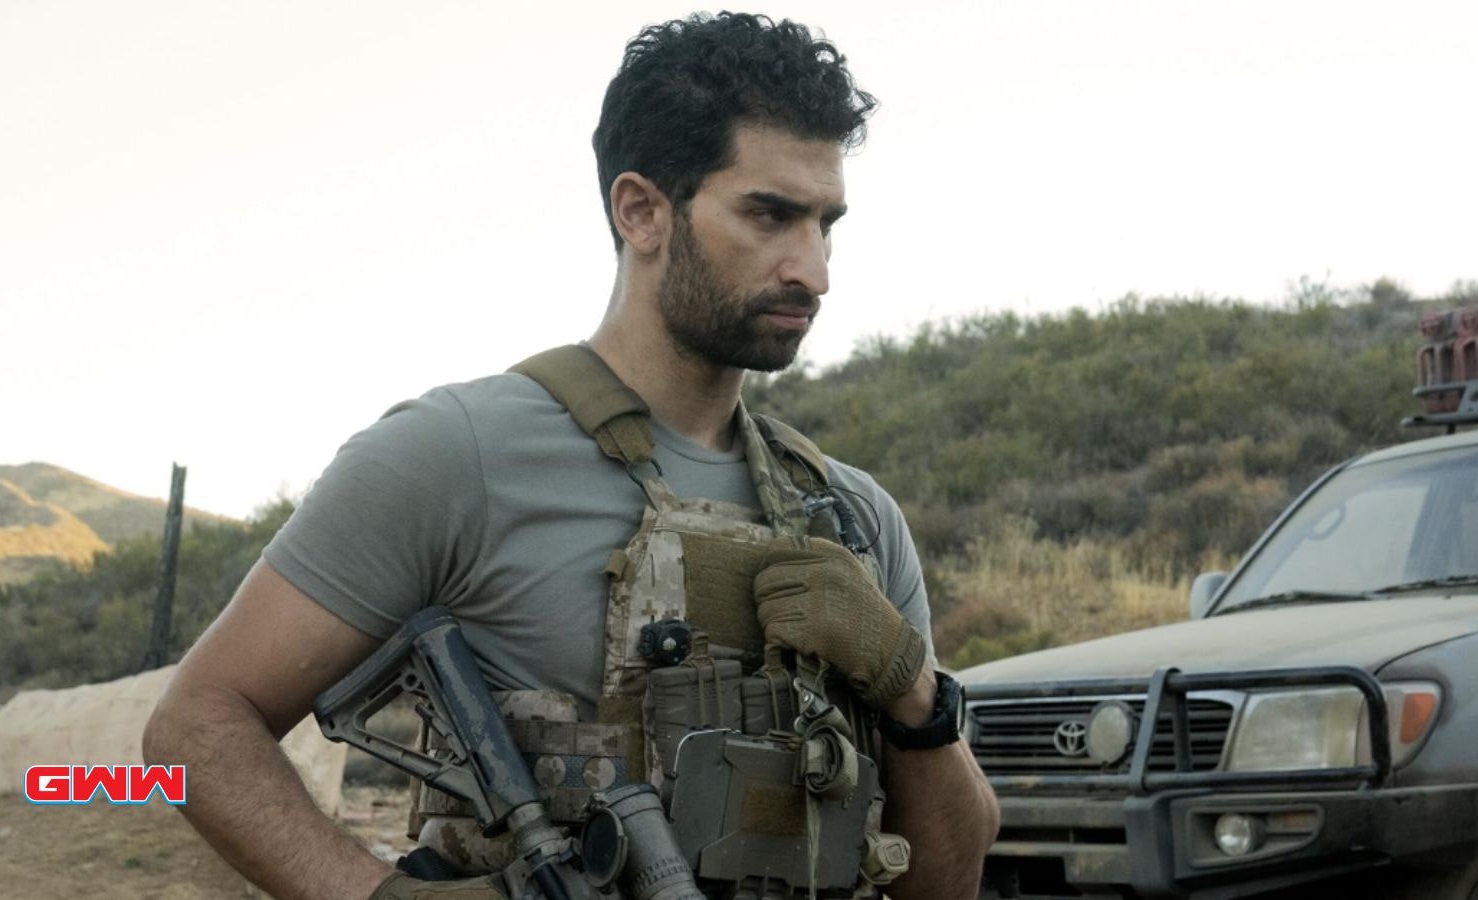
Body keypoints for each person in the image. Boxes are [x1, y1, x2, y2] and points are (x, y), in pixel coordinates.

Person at [144, 12, 1000, 900]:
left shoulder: (853, 518)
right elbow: (195, 729)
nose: (814, 269)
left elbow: (948, 877)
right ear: (642, 211)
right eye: (770, 215)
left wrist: (911, 692)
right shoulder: (455, 456)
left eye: (826, 223)